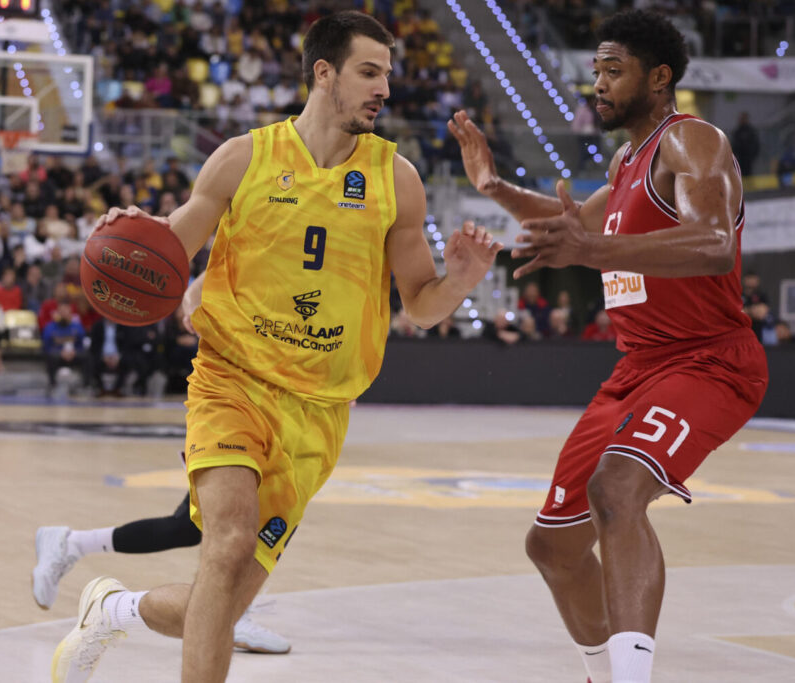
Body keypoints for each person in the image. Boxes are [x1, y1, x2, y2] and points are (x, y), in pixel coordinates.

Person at [50, 11, 503, 683]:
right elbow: (169, 246)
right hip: (232, 380)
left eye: (388, 74)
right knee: (227, 541)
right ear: (325, 74)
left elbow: (420, 305)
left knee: (223, 604)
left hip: (319, 414)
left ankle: (115, 607)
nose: (384, 87)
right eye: (369, 72)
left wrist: (461, 278)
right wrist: (129, 231)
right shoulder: (245, 157)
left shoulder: (394, 177)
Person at [449, 10, 767, 683]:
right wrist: (491, 186)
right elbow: (568, 225)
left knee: (617, 489)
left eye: (612, 70)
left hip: (709, 359)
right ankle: (600, 672)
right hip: (637, 368)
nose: (597, 83)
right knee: (552, 547)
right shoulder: (627, 161)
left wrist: (588, 248)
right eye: (595, 69)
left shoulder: (693, 142)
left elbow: (714, 245)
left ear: (658, 78)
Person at [32, 493, 291, 654]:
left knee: (189, 526)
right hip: (238, 420)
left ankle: (72, 544)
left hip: (277, 423)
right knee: (232, 519)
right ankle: (234, 612)